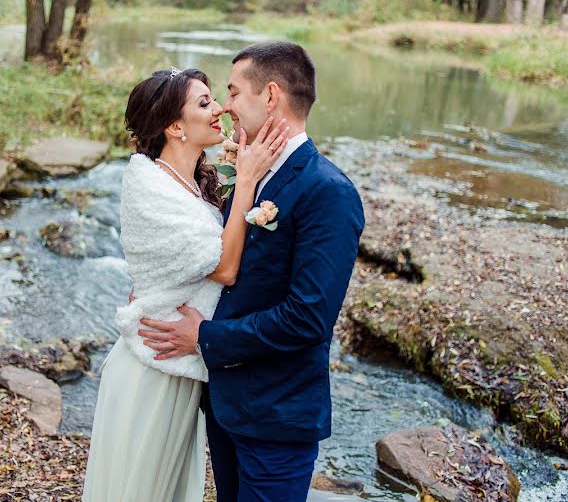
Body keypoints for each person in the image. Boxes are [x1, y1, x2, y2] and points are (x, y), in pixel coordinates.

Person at [139, 42, 365, 502]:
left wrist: (205, 338)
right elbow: (213, 259)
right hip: (225, 403)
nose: (225, 106)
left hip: (276, 416)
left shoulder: (328, 191)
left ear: (271, 96)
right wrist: (153, 290)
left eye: (234, 92)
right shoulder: (248, 171)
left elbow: (308, 318)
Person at [82, 66, 289, 502]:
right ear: (175, 127)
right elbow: (225, 268)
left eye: (214, 98)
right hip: (153, 369)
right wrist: (248, 180)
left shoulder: (189, 182)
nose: (219, 109)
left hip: (178, 360)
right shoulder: (150, 186)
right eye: (204, 103)